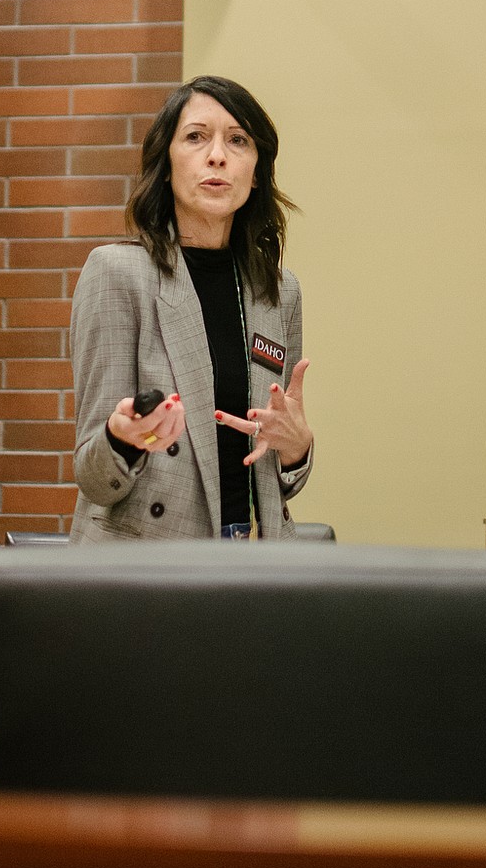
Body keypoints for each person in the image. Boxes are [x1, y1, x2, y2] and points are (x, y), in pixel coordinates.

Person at [69, 75, 313, 541]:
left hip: (255, 560)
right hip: (148, 565)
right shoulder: (118, 274)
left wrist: (297, 448)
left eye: (238, 140)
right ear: (165, 165)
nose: (217, 155)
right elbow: (94, 475)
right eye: (196, 137)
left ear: (257, 170)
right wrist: (124, 438)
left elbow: (282, 477)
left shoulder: (280, 290)